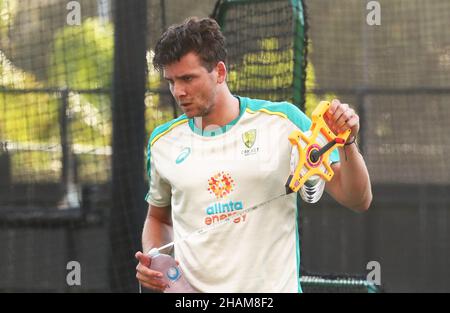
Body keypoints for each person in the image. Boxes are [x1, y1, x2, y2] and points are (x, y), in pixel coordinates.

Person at [135, 17, 372, 293]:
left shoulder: (284, 121)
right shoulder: (162, 143)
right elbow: (158, 218)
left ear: (220, 72)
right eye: (171, 81)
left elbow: (358, 198)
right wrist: (155, 257)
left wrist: (348, 142)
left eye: (188, 78)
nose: (178, 92)